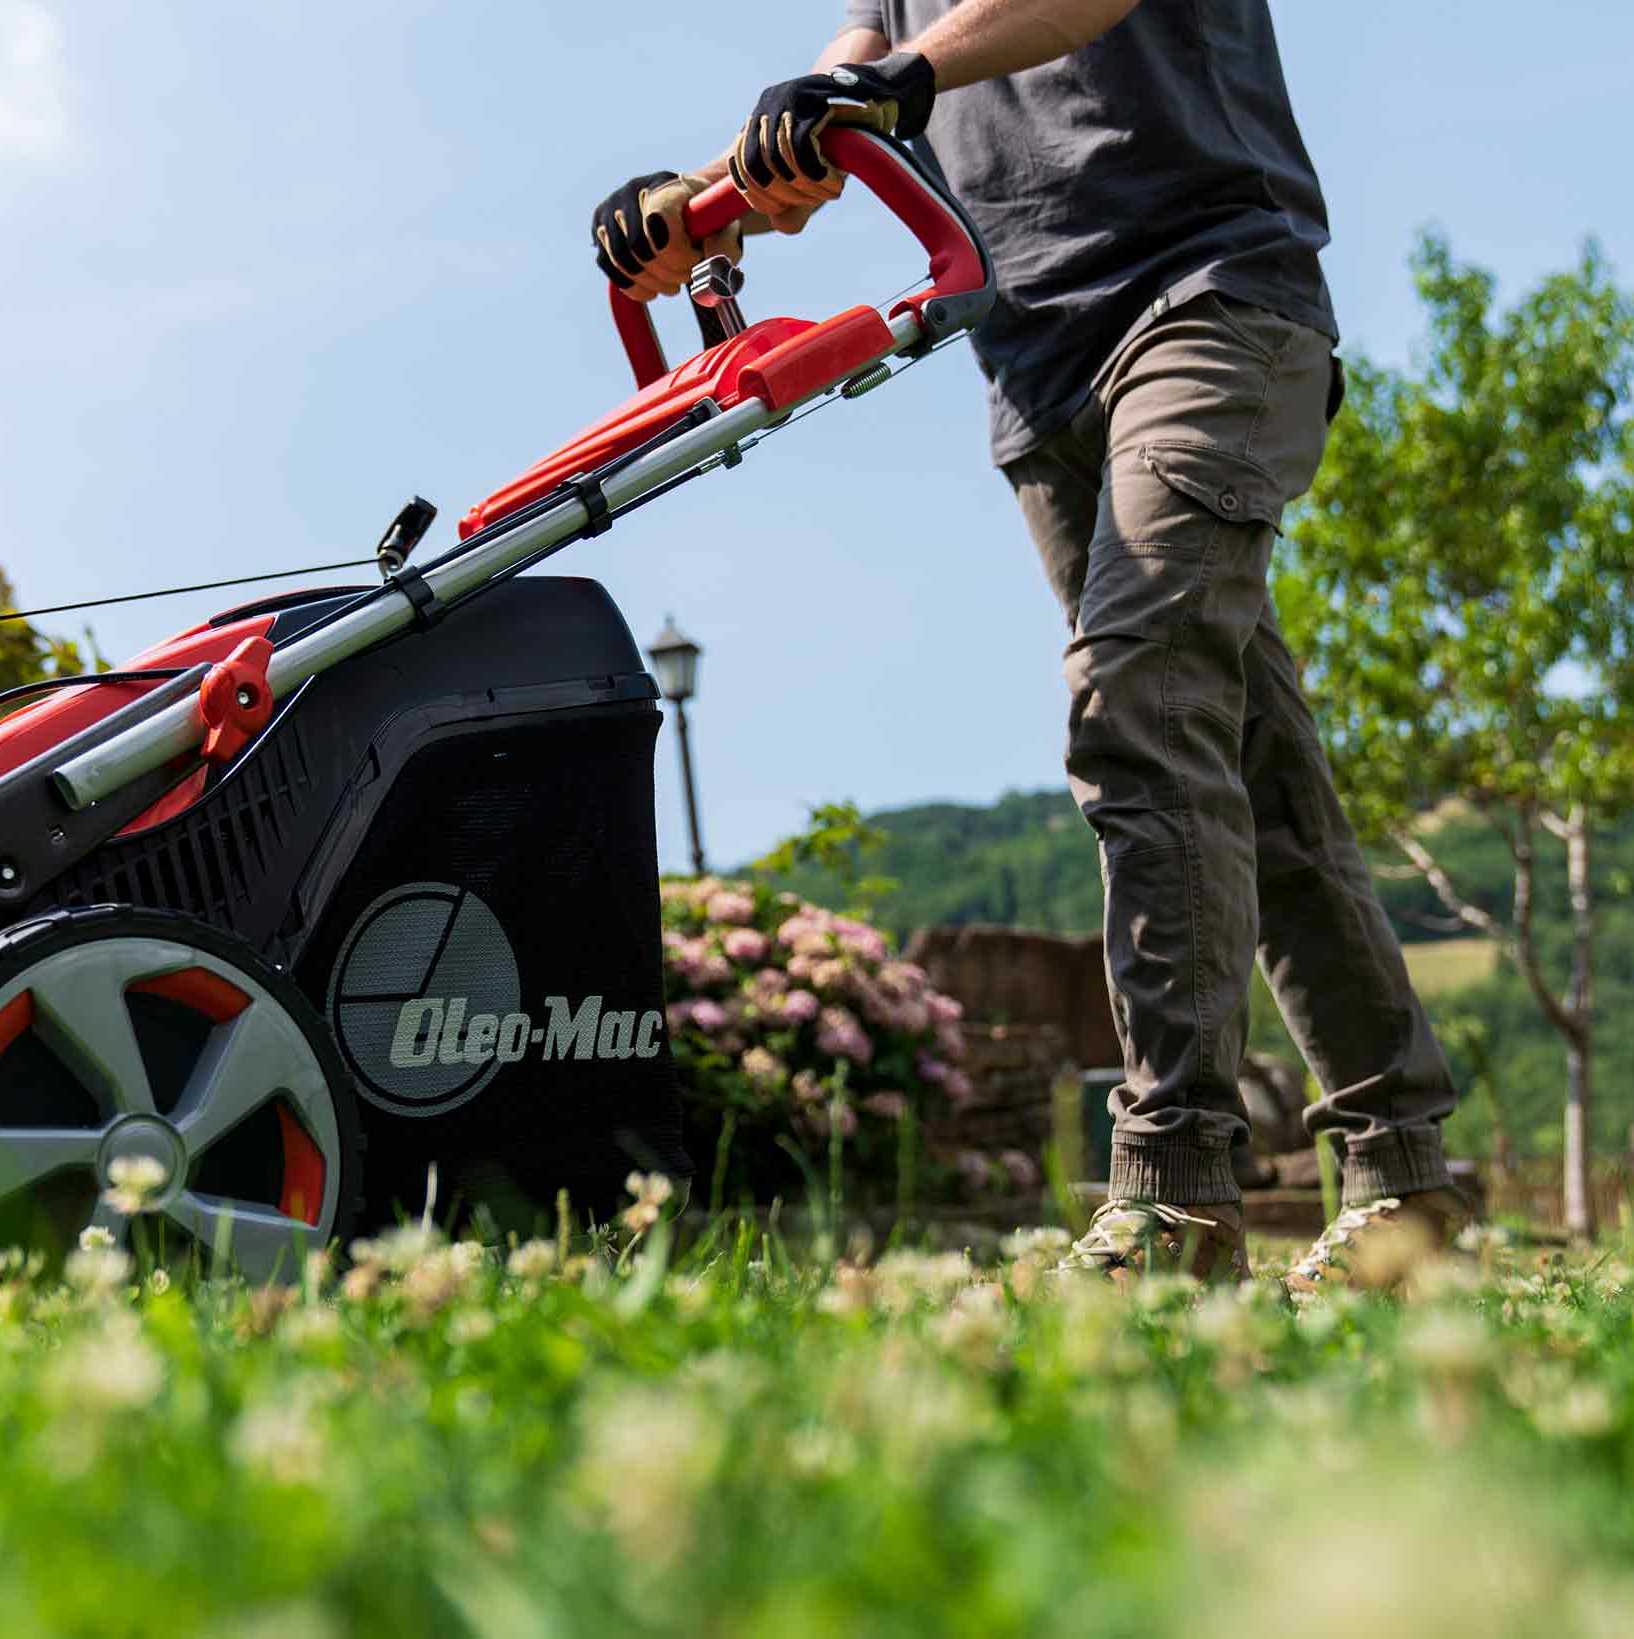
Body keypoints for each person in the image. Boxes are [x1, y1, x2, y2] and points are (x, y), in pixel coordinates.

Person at [592, 0, 1469, 1288]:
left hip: (1212, 302)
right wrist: (700, 197)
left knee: (1135, 702)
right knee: (1253, 770)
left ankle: (1175, 1191)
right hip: (1041, 379)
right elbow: (835, 107)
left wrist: (892, 78)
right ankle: (1403, 1182)